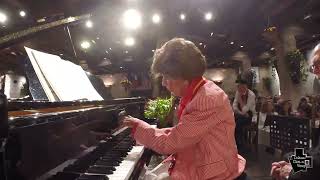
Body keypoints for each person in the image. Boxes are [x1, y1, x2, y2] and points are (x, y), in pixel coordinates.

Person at [123, 38, 246, 180]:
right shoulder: (200, 91)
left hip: (217, 172)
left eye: (166, 77)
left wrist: (139, 128)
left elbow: (171, 143)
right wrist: (141, 129)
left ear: (184, 77)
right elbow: (182, 132)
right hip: (205, 160)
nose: (163, 83)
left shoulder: (206, 100)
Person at [232, 79, 256, 149]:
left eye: (239, 86)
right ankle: (237, 142)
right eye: (237, 86)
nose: (238, 88)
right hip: (241, 114)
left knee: (237, 123)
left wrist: (240, 101)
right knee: (232, 121)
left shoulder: (251, 95)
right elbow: (234, 106)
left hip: (250, 115)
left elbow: (245, 110)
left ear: (244, 86)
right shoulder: (238, 92)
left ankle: (239, 143)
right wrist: (240, 113)